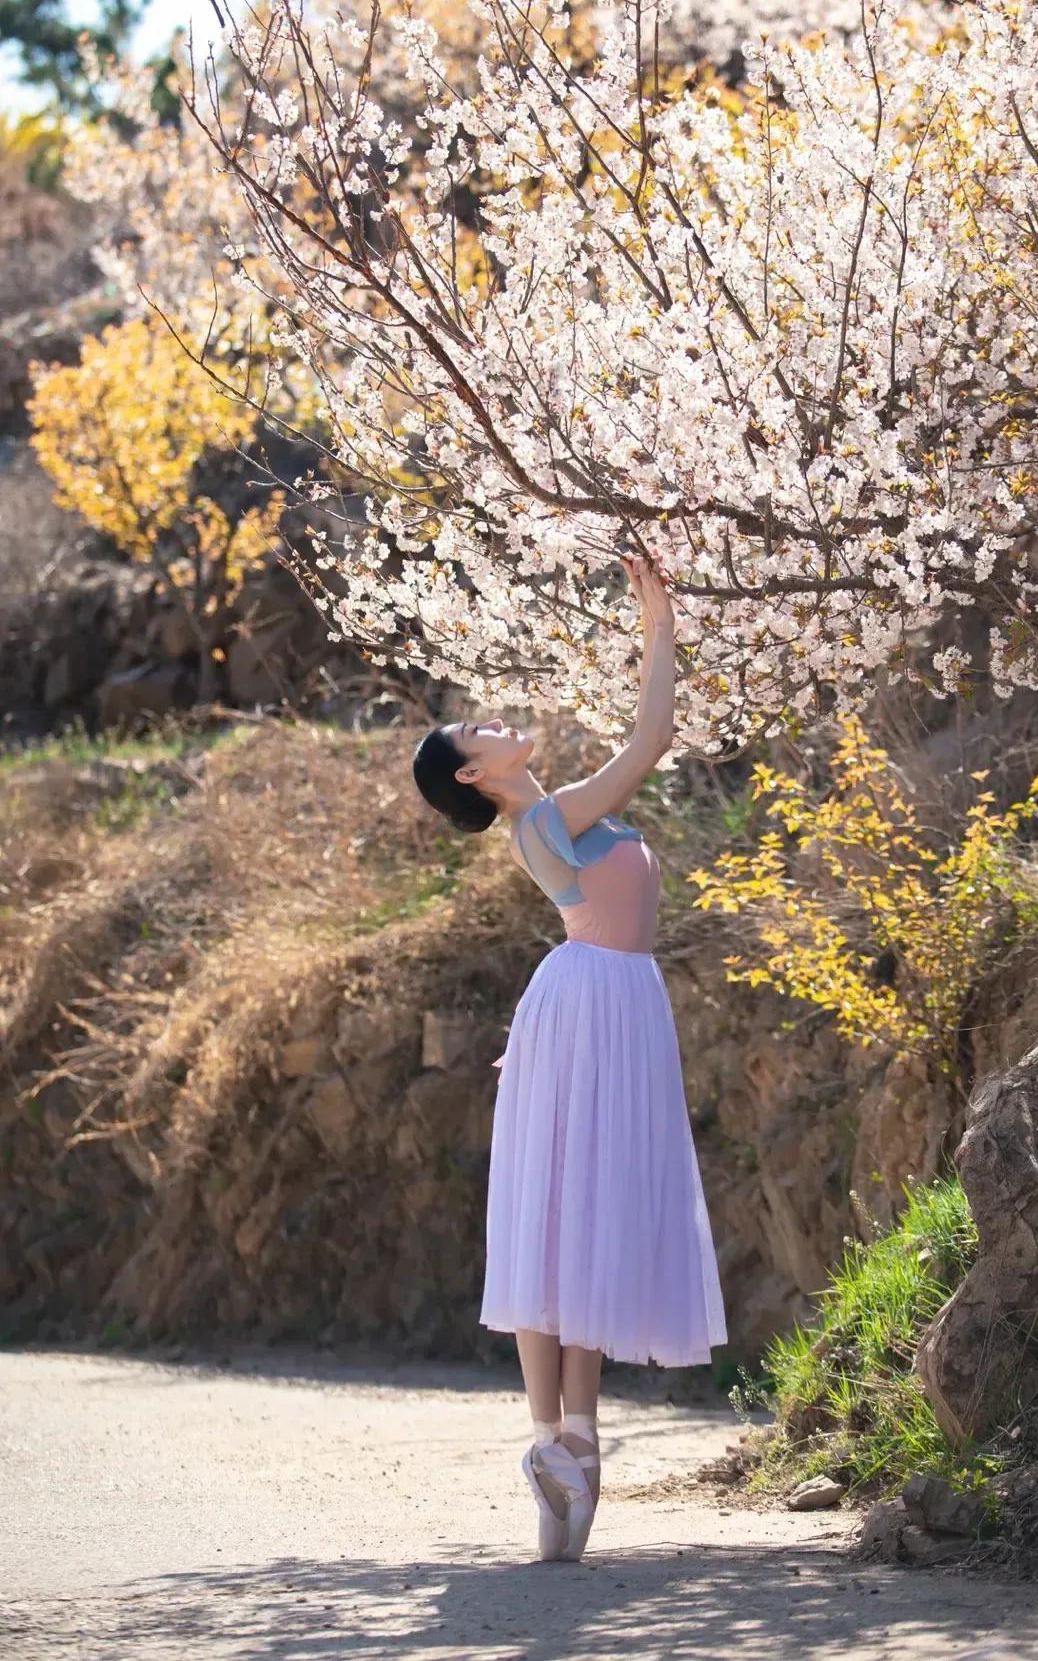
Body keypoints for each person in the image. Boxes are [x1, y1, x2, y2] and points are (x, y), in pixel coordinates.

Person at [410, 550, 727, 1563]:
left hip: (605, 1001)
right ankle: (563, 1442)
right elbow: (651, 739)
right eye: (478, 731)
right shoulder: (548, 818)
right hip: (594, 1001)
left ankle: (565, 1445)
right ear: (473, 774)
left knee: (578, 1214)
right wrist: (659, 627)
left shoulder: (557, 815)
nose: (495, 721)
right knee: (566, 1214)